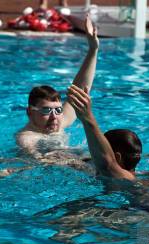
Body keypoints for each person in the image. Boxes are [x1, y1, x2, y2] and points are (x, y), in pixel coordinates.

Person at [16, 16, 99, 159]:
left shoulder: (60, 121)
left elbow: (80, 90)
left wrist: (93, 50)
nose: (54, 117)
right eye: (46, 110)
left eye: (58, 110)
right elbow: (39, 162)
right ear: (30, 111)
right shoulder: (27, 138)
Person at [67, 85, 141, 181]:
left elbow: (107, 164)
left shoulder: (126, 178)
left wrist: (87, 118)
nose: (95, 156)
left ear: (118, 157)